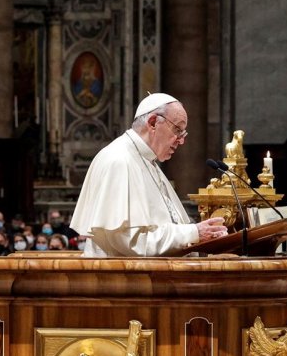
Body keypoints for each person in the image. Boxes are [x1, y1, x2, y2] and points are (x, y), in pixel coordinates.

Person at [71, 93, 227, 257]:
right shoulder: (119, 160)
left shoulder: (147, 161)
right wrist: (193, 233)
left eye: (183, 133)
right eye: (177, 130)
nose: (181, 141)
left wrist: (199, 236)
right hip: (125, 279)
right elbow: (130, 241)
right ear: (152, 123)